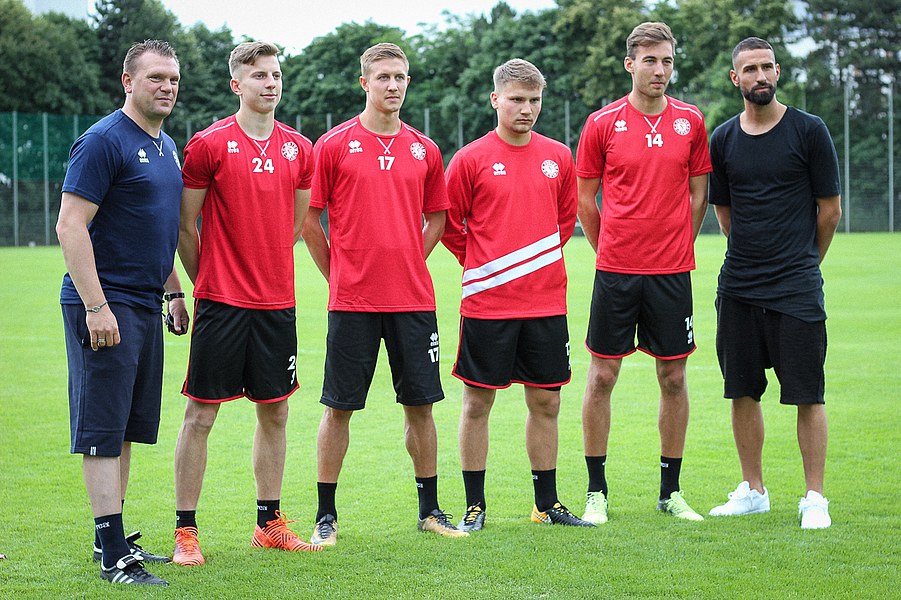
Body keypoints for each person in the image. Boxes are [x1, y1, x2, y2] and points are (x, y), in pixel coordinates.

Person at [302, 42, 466, 545]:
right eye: (383, 77)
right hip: (352, 302)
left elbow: (437, 217)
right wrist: (338, 273)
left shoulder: (424, 149)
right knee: (338, 408)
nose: (392, 85)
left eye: (400, 77)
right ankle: (326, 516)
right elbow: (309, 219)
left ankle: (430, 510)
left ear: (407, 82)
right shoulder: (333, 144)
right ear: (364, 83)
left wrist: (410, 259)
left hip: (413, 302)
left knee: (422, 407)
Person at [172, 41, 321, 566]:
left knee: (276, 411)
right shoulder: (208, 144)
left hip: (277, 304)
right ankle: (185, 531)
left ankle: (269, 524)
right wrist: (209, 282)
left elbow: (294, 227)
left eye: (275, 74)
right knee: (200, 414)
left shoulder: (300, 148)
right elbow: (185, 228)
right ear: (237, 84)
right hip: (221, 304)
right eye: (259, 75)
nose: (270, 83)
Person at [56, 39, 187, 586]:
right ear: (128, 82)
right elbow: (70, 224)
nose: (167, 87)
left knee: (127, 427)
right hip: (106, 304)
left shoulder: (166, 145)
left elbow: (155, 228)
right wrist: (96, 306)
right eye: (156, 77)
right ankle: (114, 556)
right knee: (103, 429)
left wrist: (174, 292)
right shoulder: (103, 140)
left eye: (173, 79)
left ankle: (107, 537)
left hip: (145, 303)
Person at [441, 59, 592, 531]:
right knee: (477, 404)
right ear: (496, 100)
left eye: (534, 100)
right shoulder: (470, 158)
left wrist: (529, 265)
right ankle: (475, 507)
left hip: (546, 302)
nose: (526, 109)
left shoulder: (558, 156)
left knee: (547, 403)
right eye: (517, 100)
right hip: (488, 303)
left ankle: (546, 504)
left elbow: (564, 221)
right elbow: (449, 223)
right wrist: (485, 265)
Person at [575, 22, 711, 524]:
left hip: (671, 272)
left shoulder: (690, 121)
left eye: (667, 61)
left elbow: (699, 193)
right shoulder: (601, 123)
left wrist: (679, 244)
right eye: (650, 61)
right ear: (630, 64)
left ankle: (670, 492)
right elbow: (584, 198)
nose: (660, 70)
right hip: (616, 271)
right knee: (602, 376)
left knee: (673, 377)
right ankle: (596, 492)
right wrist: (608, 247)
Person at [707, 37, 841, 529]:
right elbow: (725, 214)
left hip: (796, 288)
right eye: (750, 69)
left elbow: (830, 211)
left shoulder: (809, 130)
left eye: (767, 67)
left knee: (808, 393)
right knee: (742, 391)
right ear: (735, 78)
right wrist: (754, 256)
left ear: (778, 72)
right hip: (739, 286)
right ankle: (754, 491)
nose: (760, 76)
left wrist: (804, 263)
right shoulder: (723, 139)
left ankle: (814, 497)